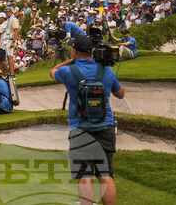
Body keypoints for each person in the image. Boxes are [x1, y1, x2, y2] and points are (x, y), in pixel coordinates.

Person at [50, 35, 125, 205]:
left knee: (85, 177)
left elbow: (53, 71)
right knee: (105, 175)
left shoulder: (68, 72)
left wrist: (72, 60)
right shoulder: (107, 70)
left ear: (74, 51)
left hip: (80, 128)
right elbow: (121, 94)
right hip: (105, 125)